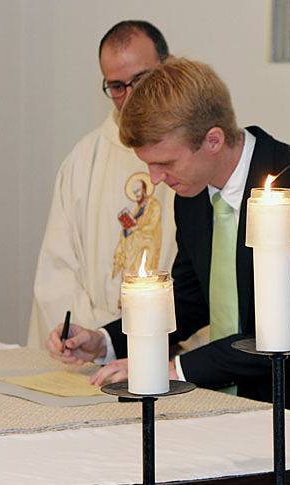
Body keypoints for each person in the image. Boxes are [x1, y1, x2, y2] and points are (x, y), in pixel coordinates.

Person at [48, 57, 290, 432]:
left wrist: (173, 369)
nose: (155, 179)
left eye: (166, 163)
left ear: (213, 140)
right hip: (253, 408)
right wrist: (105, 340)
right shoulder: (191, 196)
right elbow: (191, 298)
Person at [26, 21, 176, 347]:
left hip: (177, 345)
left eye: (142, 79)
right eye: (118, 86)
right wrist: (98, 340)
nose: (131, 96)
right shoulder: (83, 162)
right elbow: (58, 271)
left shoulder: (195, 154)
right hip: (97, 351)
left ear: (169, 68)